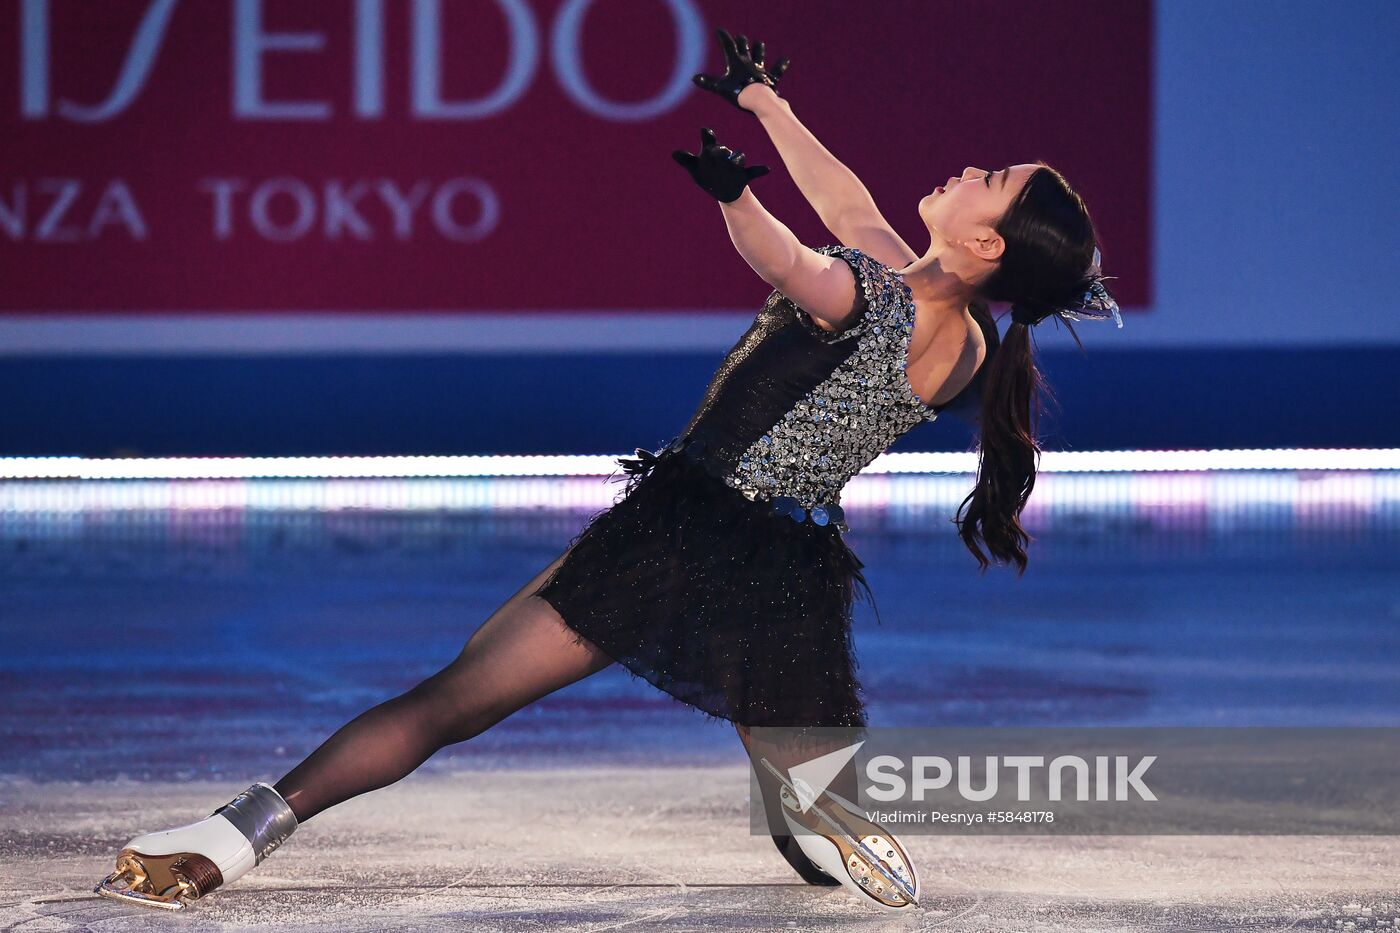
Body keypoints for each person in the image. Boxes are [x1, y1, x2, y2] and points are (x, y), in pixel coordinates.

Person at [94, 28, 1122, 916]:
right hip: (788, 573)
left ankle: (234, 835)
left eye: (986, 181)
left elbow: (795, 267)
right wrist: (768, 103)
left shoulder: (873, 295)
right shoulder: (970, 344)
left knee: (453, 698)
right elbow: (848, 212)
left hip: (684, 537)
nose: (966, 169)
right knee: (792, 758)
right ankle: (818, 818)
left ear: (984, 237)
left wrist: (731, 201)